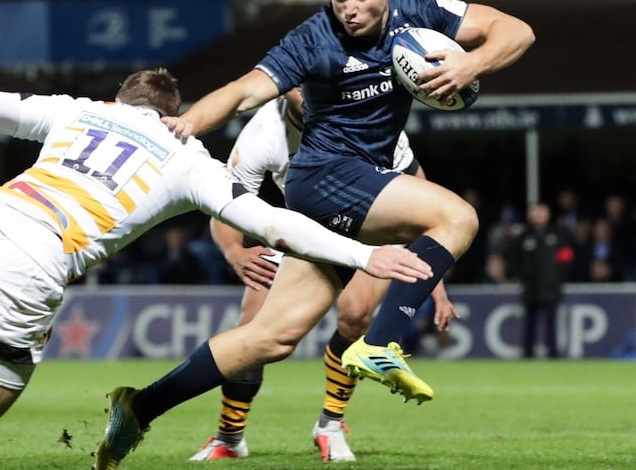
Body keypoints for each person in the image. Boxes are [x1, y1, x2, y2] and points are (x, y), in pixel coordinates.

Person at [0, 69, 431, 470]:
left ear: (123, 100)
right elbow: (276, 224)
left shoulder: (80, 110)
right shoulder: (189, 156)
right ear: (173, 113)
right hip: (33, 261)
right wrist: (365, 254)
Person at [94, 0, 533, 469]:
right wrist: (187, 123)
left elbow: (517, 30)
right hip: (326, 178)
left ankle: (139, 407)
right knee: (459, 215)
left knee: (269, 338)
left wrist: (473, 64)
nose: (349, 7)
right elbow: (243, 91)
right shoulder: (313, 37)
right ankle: (381, 344)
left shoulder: (421, 9)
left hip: (349, 192)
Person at [190, 87, 457, 462]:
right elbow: (225, 200)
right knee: (252, 327)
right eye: (300, 87)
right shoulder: (263, 134)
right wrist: (235, 251)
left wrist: (434, 279)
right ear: (284, 91)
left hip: (369, 231)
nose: (309, 94)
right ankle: (229, 436)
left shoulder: (368, 116)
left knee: (356, 313)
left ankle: (330, 423)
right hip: (306, 233)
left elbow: (419, 187)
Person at [510, 203, 574, 359]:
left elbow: (567, 257)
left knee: (551, 323)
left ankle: (553, 354)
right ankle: (527, 354)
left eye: (542, 213)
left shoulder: (558, 234)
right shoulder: (524, 236)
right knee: (529, 322)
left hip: (550, 287)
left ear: (548, 214)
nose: (539, 216)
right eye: (536, 213)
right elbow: (514, 259)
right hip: (530, 287)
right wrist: (520, 277)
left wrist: (558, 278)